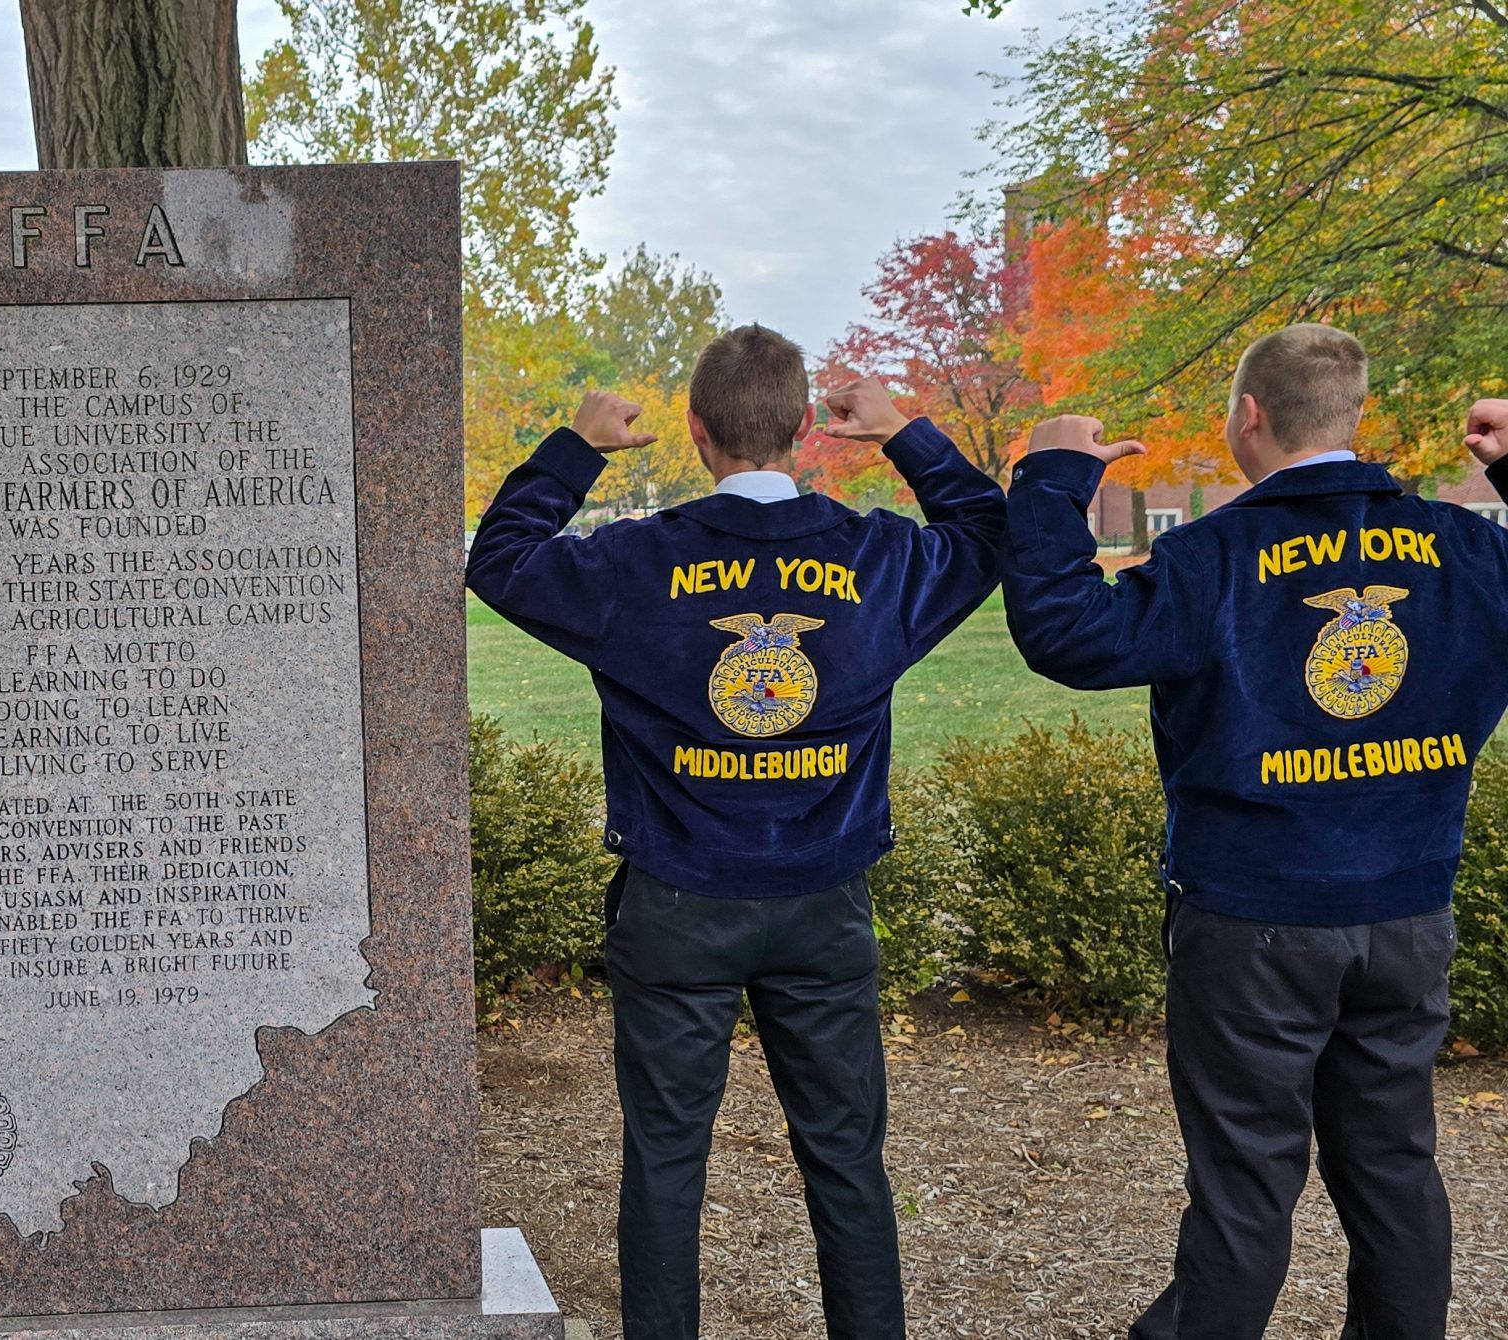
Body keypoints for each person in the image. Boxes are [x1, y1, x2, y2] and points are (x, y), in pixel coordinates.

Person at [466, 325, 1006, 1340]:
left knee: (666, 1161)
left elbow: (498, 559)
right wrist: (903, 434)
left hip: (676, 901)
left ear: (695, 429)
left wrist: (574, 449)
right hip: (821, 903)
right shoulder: (874, 557)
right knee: (844, 1155)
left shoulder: (634, 562)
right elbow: (985, 535)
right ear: (805, 428)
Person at [1003, 323, 1508, 1340]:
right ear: (1353, 415)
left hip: (1250, 920)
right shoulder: (1465, 550)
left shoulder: (1214, 557)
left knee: (1243, 1188)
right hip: (1405, 910)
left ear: (1247, 416)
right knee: (1396, 1170)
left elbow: (1065, 630)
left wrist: (1053, 476)